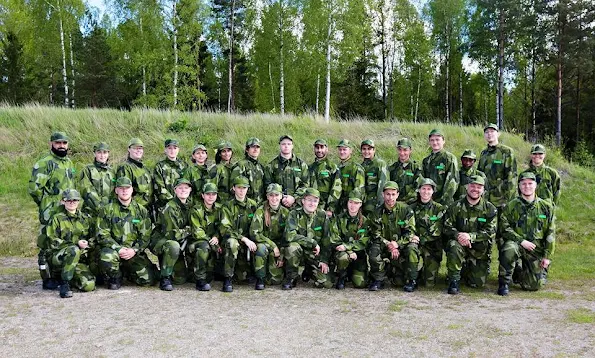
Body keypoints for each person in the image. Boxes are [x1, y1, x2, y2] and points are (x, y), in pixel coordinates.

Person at [28, 131, 76, 290]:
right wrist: (46, 204)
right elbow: (34, 189)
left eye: (64, 143)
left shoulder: (68, 162)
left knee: (62, 240)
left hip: (66, 209)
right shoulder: (44, 163)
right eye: (58, 143)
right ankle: (46, 278)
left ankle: (58, 273)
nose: (61, 146)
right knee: (46, 243)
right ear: (51, 144)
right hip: (51, 210)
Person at [498, 172, 556, 295]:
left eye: (530, 183)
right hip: (517, 244)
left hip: (536, 249)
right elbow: (504, 228)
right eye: (523, 184)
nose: (527, 186)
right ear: (519, 186)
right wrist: (521, 241)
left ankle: (523, 272)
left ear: (535, 185)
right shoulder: (511, 205)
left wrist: (547, 257)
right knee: (509, 248)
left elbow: (550, 233)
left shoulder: (546, 207)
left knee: (532, 286)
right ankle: (504, 283)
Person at [97, 177, 155, 289]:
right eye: (121, 188)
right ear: (116, 190)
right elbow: (102, 234)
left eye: (127, 188)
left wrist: (135, 250)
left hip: (133, 252)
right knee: (107, 257)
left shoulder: (141, 210)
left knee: (148, 281)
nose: (124, 191)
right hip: (114, 251)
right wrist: (118, 249)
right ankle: (115, 276)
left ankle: (127, 272)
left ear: (132, 190)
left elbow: (146, 235)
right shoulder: (107, 210)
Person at [444, 175, 497, 294]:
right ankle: (454, 280)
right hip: (459, 246)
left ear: (483, 190)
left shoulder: (490, 209)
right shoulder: (455, 206)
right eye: (472, 186)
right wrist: (458, 235)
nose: (475, 189)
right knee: (453, 245)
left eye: (479, 187)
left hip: (479, 250)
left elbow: (490, 231)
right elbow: (447, 227)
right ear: (467, 187)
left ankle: (467, 269)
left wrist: (470, 236)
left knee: (477, 284)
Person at [368, 181, 417, 292]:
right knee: (374, 249)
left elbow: (410, 231)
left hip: (402, 245)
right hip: (384, 245)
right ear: (383, 195)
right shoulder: (377, 212)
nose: (390, 197)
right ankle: (378, 279)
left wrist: (397, 244)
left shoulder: (406, 209)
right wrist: (389, 244)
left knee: (412, 248)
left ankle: (412, 280)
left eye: (393, 194)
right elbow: (376, 234)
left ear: (398, 195)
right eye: (388, 194)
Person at [46, 189, 96, 298]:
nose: (72, 202)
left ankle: (68, 277)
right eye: (68, 200)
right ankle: (65, 284)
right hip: (59, 257)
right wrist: (76, 243)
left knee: (89, 285)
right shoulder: (56, 218)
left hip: (79, 259)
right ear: (63, 201)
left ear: (78, 202)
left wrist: (88, 243)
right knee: (74, 250)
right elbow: (52, 240)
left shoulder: (86, 218)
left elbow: (93, 237)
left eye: (75, 200)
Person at [283, 188, 335, 290]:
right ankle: (291, 277)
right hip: (299, 252)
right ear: (303, 201)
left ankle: (310, 271)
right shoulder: (294, 214)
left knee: (326, 283)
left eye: (315, 201)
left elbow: (327, 240)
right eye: (309, 200)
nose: (312, 203)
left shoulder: (322, 215)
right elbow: (290, 235)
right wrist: (312, 242)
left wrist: (324, 260)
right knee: (292, 247)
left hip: (314, 255)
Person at [150, 178, 193, 291]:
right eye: (180, 188)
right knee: (173, 246)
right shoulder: (170, 207)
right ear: (175, 190)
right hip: (162, 241)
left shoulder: (190, 206)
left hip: (178, 240)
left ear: (190, 190)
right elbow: (171, 234)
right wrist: (189, 230)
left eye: (186, 188)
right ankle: (165, 278)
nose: (183, 190)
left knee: (180, 279)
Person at [220, 176, 259, 292]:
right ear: (234, 188)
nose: (242, 191)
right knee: (232, 243)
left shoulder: (253, 205)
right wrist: (243, 239)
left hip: (250, 241)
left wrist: (252, 239)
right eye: (239, 187)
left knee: (244, 278)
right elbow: (225, 229)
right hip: (234, 240)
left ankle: (257, 274)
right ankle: (228, 278)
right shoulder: (228, 205)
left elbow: (258, 226)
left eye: (244, 188)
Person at [250, 183, 290, 290]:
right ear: (267, 196)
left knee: (275, 280)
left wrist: (281, 255)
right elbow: (255, 233)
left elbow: (288, 237)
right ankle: (260, 279)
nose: (274, 198)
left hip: (279, 248)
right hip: (265, 244)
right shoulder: (260, 211)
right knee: (261, 248)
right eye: (271, 195)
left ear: (281, 196)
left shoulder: (286, 213)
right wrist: (273, 245)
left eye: (277, 195)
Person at [189, 182, 226, 291]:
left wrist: (217, 236)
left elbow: (223, 226)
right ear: (202, 195)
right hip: (199, 241)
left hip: (215, 241)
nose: (211, 197)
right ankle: (200, 280)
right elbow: (197, 231)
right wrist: (212, 241)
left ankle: (222, 273)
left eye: (213, 194)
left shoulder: (221, 209)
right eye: (208, 194)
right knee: (204, 246)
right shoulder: (196, 210)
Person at [408, 178, 445, 287]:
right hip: (415, 243)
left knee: (429, 283)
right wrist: (411, 236)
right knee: (411, 249)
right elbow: (406, 226)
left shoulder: (439, 208)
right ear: (419, 190)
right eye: (423, 188)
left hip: (432, 246)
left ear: (433, 191)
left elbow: (437, 230)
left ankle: (422, 273)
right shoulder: (411, 208)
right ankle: (412, 279)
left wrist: (421, 238)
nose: (426, 191)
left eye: (429, 189)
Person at [332, 189, 369, 289]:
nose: (353, 206)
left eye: (356, 203)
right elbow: (335, 238)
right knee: (343, 257)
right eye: (351, 202)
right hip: (343, 253)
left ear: (360, 204)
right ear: (347, 202)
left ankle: (352, 273)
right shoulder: (339, 219)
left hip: (358, 256)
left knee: (360, 284)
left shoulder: (365, 221)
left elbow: (363, 242)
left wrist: (347, 247)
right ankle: (342, 276)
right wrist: (348, 251)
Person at [477, 123, 517, 210]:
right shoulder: (483, 153)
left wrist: (509, 200)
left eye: (492, 131)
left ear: (498, 134)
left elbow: (511, 177)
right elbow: (479, 175)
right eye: (487, 132)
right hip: (485, 199)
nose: (489, 134)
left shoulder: (506, 152)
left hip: (501, 200)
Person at [265, 135, 309, 208]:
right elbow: (268, 185)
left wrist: (294, 198)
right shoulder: (271, 165)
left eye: (289, 144)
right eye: (283, 144)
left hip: (297, 206)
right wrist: (281, 197)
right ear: (280, 146)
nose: (286, 146)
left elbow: (305, 184)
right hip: (277, 205)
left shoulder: (301, 165)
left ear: (292, 146)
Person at [422, 129, 458, 206]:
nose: (435, 142)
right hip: (429, 202)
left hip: (444, 202)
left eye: (437, 140)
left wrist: (444, 202)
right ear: (429, 142)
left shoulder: (449, 158)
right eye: (432, 140)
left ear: (443, 141)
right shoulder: (426, 160)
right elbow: (423, 181)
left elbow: (452, 183)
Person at [78, 142, 114, 216]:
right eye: (99, 152)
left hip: (109, 213)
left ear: (108, 154)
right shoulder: (87, 169)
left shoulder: (112, 171)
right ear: (94, 153)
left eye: (105, 152)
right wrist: (100, 207)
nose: (102, 155)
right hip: (90, 212)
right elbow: (86, 189)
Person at [308, 139, 342, 217]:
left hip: (325, 209)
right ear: (314, 149)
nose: (319, 150)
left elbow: (336, 188)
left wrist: (331, 208)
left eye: (322, 147)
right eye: (317, 147)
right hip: (311, 207)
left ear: (326, 149)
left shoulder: (332, 167)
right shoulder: (310, 167)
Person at [116, 138, 153, 209]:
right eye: (135, 148)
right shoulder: (126, 168)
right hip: (135, 208)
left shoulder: (144, 168)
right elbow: (124, 192)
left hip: (148, 209)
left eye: (140, 148)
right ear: (129, 149)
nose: (138, 150)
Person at [153, 139, 187, 212]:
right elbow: (159, 187)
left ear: (178, 150)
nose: (172, 151)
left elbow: (187, 186)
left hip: (182, 205)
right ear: (165, 150)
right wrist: (173, 202)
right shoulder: (159, 167)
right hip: (165, 207)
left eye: (175, 148)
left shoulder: (184, 166)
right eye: (169, 148)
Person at [231, 137, 266, 203]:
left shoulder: (261, 167)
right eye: (252, 147)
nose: (255, 149)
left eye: (257, 147)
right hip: (246, 205)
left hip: (259, 205)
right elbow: (233, 188)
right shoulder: (240, 165)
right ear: (247, 149)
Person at [389, 138, 422, 205]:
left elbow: (418, 187)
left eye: (405, 150)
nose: (402, 153)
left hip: (412, 204)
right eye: (399, 150)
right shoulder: (392, 168)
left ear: (410, 150)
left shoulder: (416, 168)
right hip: (395, 204)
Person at [336, 139, 365, 214]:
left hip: (351, 208)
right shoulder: (337, 167)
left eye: (344, 149)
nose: (342, 152)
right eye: (340, 149)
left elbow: (359, 190)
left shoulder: (356, 168)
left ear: (351, 151)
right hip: (338, 207)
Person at [361, 139, 389, 215]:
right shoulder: (361, 166)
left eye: (369, 149)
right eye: (364, 149)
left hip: (375, 205)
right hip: (364, 205)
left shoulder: (380, 164)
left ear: (374, 150)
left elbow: (383, 185)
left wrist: (380, 205)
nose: (366, 152)